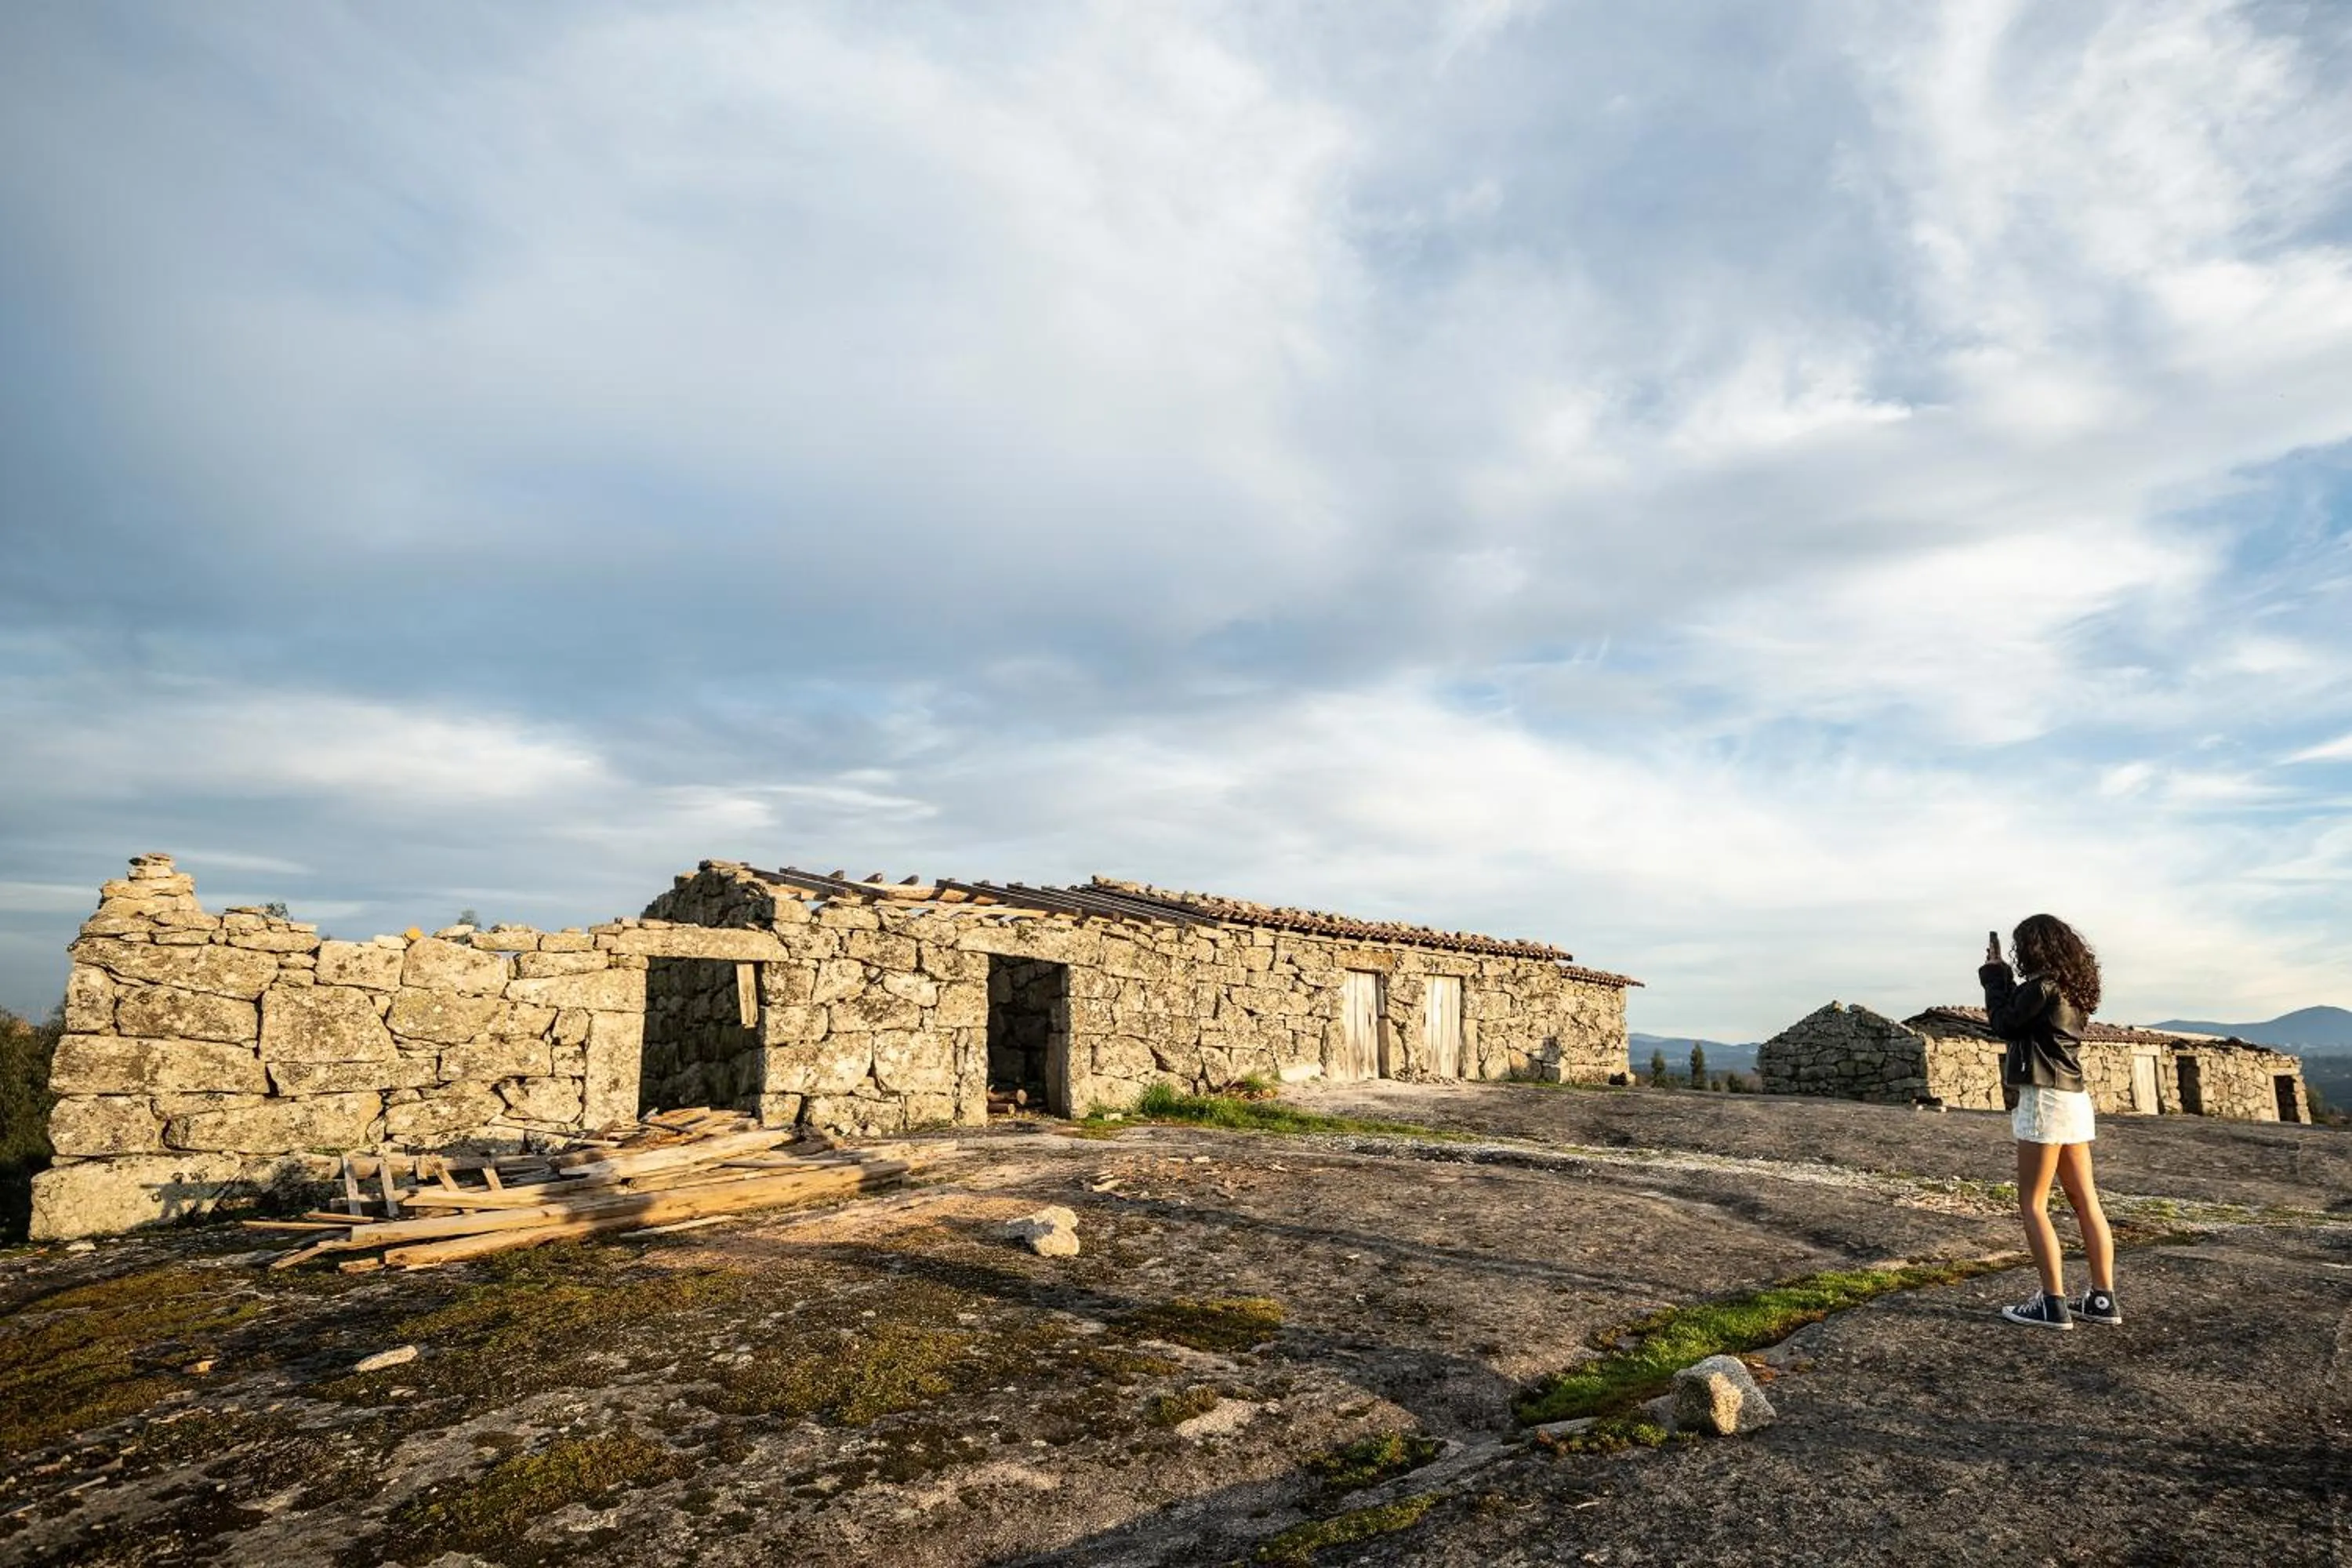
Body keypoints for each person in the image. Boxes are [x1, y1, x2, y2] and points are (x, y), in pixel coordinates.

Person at [1980, 915, 2120, 1331]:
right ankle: (2101, 1298)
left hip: (2044, 1098)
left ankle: (2052, 1302)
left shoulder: (2041, 986)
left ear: (2033, 948)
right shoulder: (2075, 989)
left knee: (2033, 1204)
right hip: (2074, 1098)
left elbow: (2004, 1024)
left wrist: (1994, 976)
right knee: (2085, 1201)